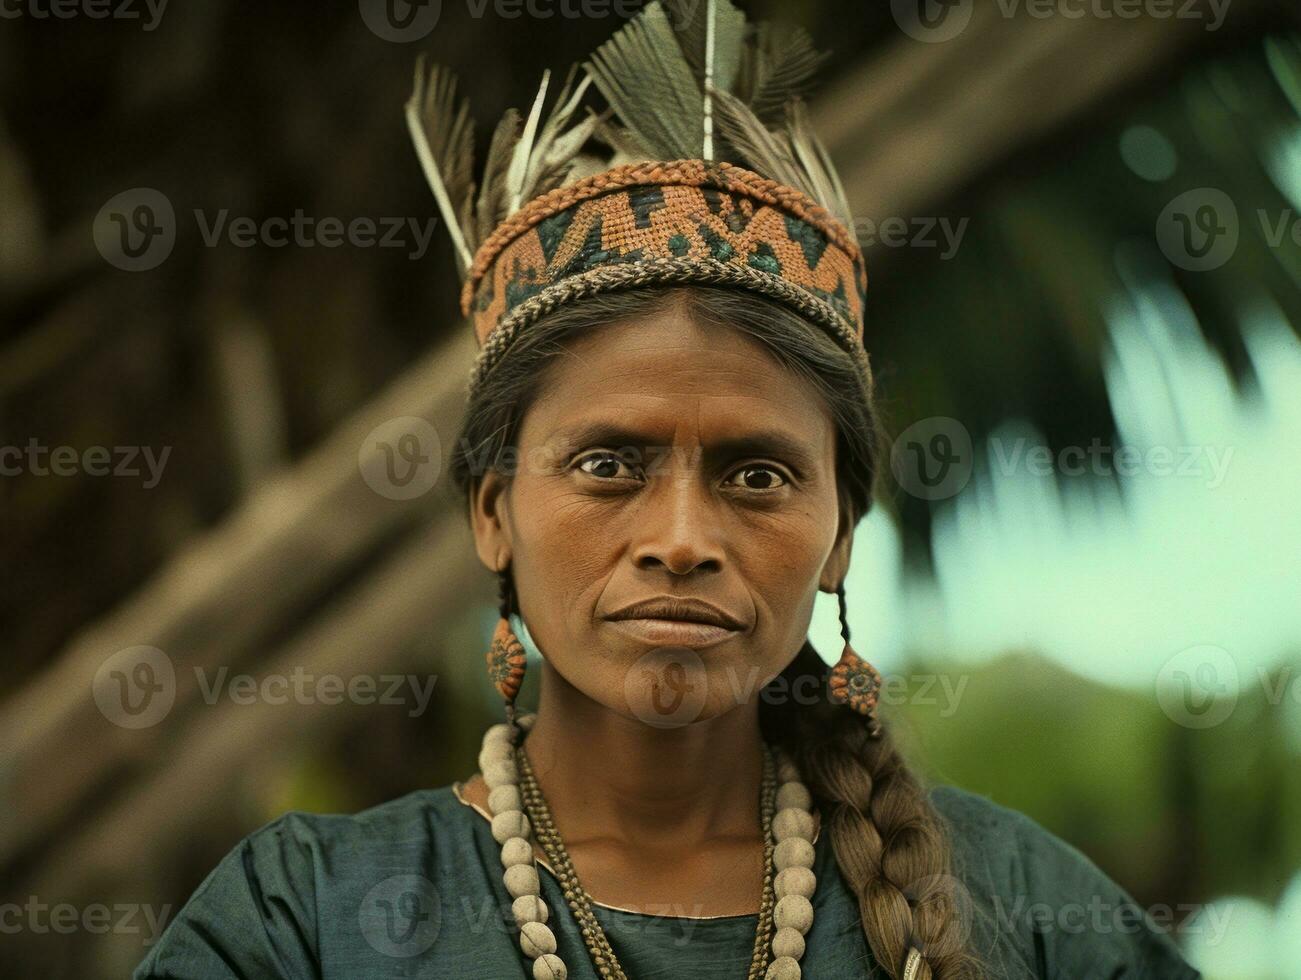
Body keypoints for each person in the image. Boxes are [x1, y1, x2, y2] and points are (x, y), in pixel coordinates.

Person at [135, 3, 1201, 977]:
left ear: (839, 535)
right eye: (607, 464)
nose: (682, 536)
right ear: (491, 512)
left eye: (756, 473)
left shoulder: (1025, 912)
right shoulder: (304, 916)